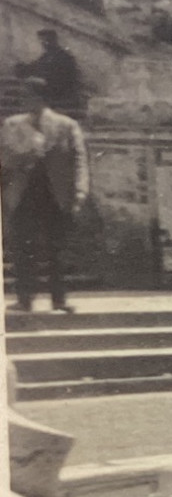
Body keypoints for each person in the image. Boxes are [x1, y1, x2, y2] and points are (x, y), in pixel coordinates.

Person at [1, 77, 88, 313]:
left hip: (55, 193)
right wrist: (23, 154)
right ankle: (24, 299)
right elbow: (4, 158)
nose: (23, 101)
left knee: (56, 250)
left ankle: (59, 300)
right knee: (22, 248)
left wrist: (80, 191)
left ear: (41, 98)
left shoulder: (66, 125)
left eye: (28, 96)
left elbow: (79, 159)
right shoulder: (13, 124)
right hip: (23, 193)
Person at [17, 29, 82, 112]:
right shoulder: (47, 56)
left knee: (30, 84)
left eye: (45, 40)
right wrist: (22, 67)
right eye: (41, 40)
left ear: (52, 40)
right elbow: (35, 66)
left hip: (60, 90)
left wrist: (45, 81)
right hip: (49, 86)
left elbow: (65, 77)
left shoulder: (63, 56)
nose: (43, 43)